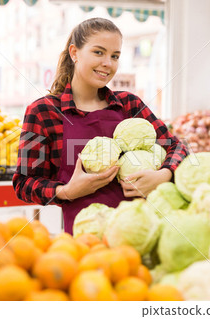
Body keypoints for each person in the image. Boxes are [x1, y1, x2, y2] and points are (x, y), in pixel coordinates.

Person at [13, 18, 188, 234]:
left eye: (115, 56)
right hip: (86, 238)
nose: (108, 63)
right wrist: (67, 191)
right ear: (74, 53)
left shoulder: (129, 104)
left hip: (140, 231)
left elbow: (178, 147)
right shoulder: (43, 112)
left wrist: (164, 174)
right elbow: (24, 183)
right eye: (99, 52)